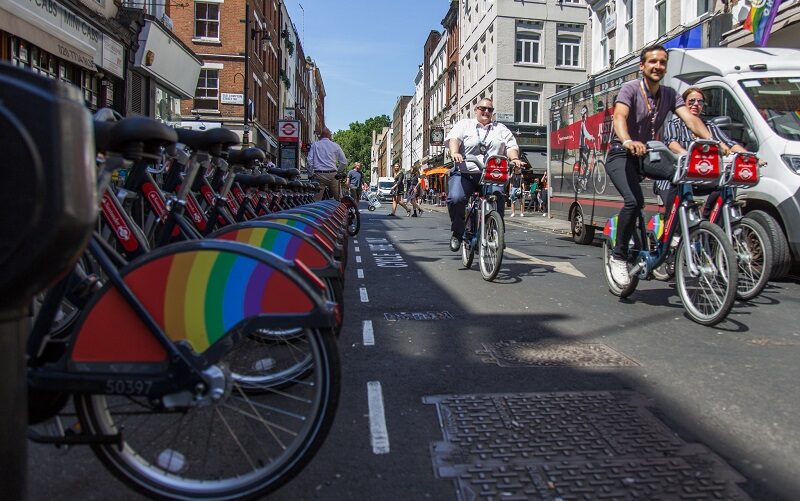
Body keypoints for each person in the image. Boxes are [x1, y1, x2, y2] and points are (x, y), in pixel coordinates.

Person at [605, 44, 715, 287]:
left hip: (648, 153)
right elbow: (620, 117)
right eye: (653, 62)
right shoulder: (630, 89)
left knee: (681, 176)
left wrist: (710, 141)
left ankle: (671, 237)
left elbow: (690, 119)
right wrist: (627, 140)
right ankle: (619, 256)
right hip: (621, 153)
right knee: (634, 202)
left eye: (662, 62)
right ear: (642, 66)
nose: (658, 66)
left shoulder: (670, 94)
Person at [446, 98, 525, 252]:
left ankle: (496, 232)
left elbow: (510, 146)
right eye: (483, 108)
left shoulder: (500, 128)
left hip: (491, 176)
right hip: (465, 173)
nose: (486, 112)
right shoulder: (464, 124)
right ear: (476, 110)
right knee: (456, 198)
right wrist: (455, 152)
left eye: (490, 109)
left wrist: (514, 159)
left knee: (498, 197)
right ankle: (458, 231)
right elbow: (454, 139)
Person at [656, 87, 745, 219]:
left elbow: (730, 144)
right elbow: (671, 143)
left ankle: (710, 225)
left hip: (700, 176)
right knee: (679, 198)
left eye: (700, 102)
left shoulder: (710, 127)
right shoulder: (674, 124)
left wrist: (750, 156)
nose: (696, 105)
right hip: (676, 177)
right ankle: (673, 231)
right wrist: (686, 154)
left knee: (724, 186)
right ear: (684, 104)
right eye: (691, 101)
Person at [307, 127, 347, 200]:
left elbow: (309, 161)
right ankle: (339, 210)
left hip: (319, 175)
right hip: (333, 175)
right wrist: (337, 172)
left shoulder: (315, 145)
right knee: (338, 199)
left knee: (316, 200)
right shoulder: (335, 146)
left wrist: (310, 174)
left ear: (320, 136)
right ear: (330, 136)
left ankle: (317, 210)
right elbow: (344, 162)